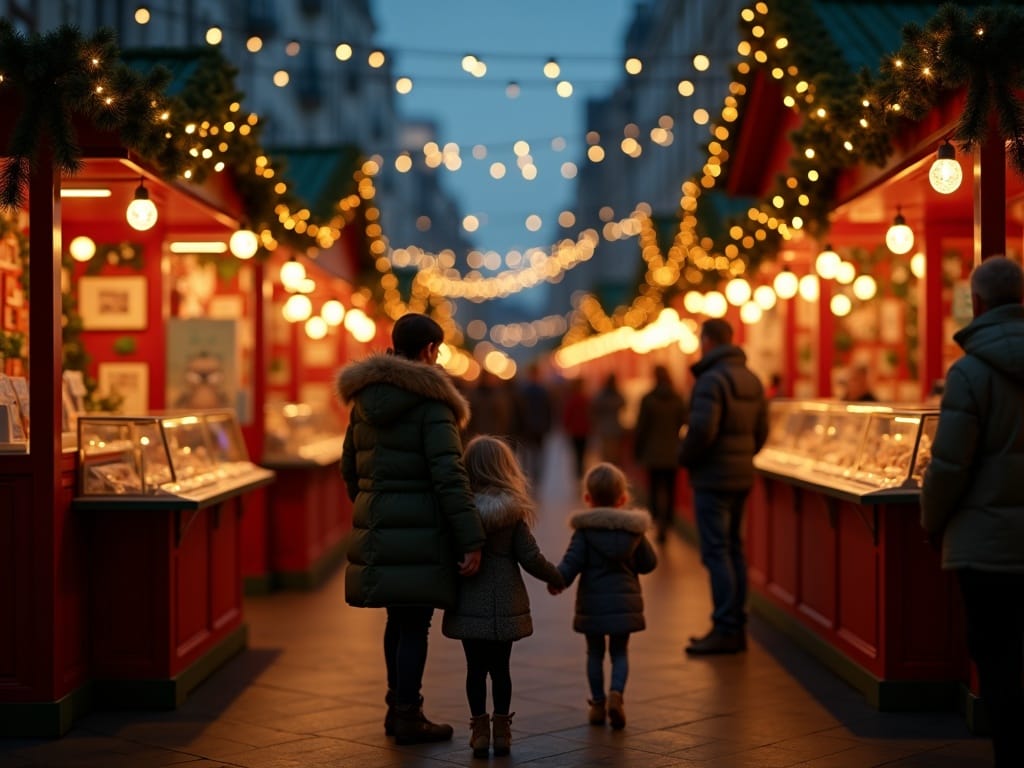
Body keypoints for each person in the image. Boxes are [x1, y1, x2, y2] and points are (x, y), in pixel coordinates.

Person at [337, 313, 486, 745]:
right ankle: (408, 714)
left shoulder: (363, 400)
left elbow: (350, 466)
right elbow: (448, 474)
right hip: (422, 531)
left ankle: (396, 706)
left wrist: (373, 506)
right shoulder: (431, 402)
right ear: (428, 351)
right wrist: (470, 537)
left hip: (381, 525)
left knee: (395, 620)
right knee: (413, 625)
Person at [920, 255, 1024, 768]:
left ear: (977, 303)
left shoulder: (968, 373)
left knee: (997, 655)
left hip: (985, 545)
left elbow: (948, 466)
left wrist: (931, 521)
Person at [442, 436, 564, 758]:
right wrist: (556, 576)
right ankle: (503, 732)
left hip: (468, 601)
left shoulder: (459, 516)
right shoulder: (512, 514)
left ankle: (479, 731)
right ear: (505, 468)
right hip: (505, 602)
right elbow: (531, 557)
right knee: (501, 669)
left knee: (474, 669)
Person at [678, 318, 768, 655]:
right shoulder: (753, 379)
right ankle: (737, 626)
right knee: (734, 549)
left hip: (712, 478)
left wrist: (684, 456)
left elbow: (701, 431)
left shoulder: (710, 381)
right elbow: (761, 432)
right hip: (742, 475)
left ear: (709, 341)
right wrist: (744, 455)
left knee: (716, 552)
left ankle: (724, 627)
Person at [551, 462, 657, 730]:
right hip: (625, 604)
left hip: (594, 605)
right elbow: (649, 563)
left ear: (588, 499)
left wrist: (557, 581)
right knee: (620, 653)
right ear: (623, 499)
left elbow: (570, 564)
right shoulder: (634, 531)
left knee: (595, 653)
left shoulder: (584, 533)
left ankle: (597, 704)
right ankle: (616, 695)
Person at [633, 365, 688, 542]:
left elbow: (641, 428)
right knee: (670, 489)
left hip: (652, 452)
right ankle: (668, 522)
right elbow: (684, 422)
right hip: (672, 452)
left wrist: (638, 450)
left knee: (654, 488)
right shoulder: (678, 399)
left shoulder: (648, 399)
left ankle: (656, 520)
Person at [589, 373, 627, 464]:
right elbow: (624, 405)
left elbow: (594, 408)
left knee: (606, 452)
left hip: (604, 427)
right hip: (615, 427)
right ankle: (612, 470)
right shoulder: (617, 394)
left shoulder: (601, 395)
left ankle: (607, 470)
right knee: (613, 452)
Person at [562, 378, 591, 479]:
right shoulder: (586, 399)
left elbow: (567, 414)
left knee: (576, 451)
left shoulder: (571, 399)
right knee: (582, 452)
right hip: (584, 429)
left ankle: (578, 471)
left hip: (574, 430)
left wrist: (566, 427)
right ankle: (581, 469)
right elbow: (590, 414)